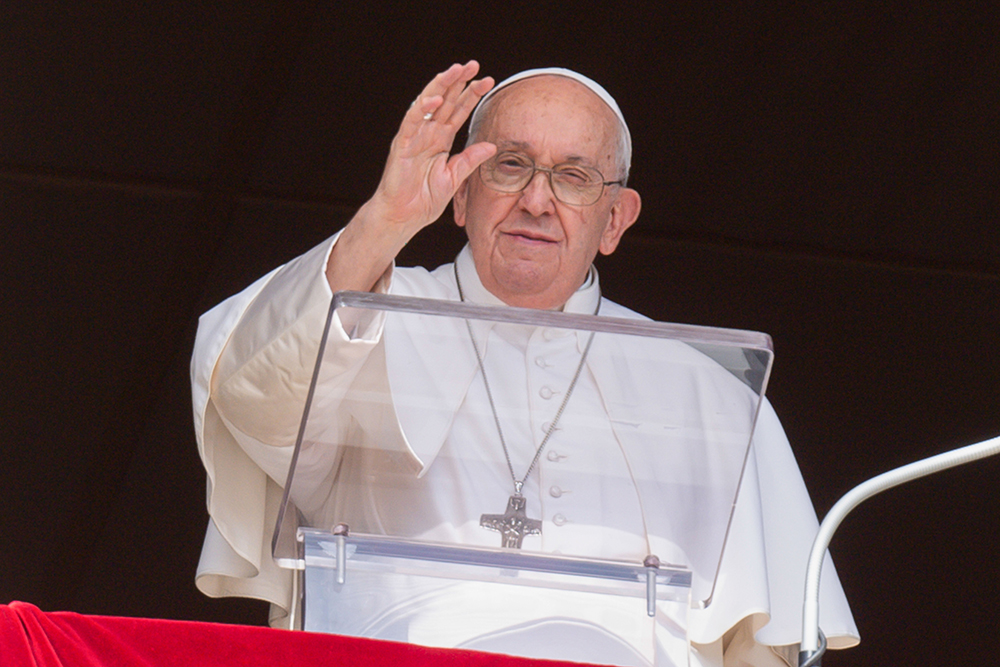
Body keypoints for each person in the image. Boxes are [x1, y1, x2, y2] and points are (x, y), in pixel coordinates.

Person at [191, 61, 859, 666]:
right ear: (460, 194)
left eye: (573, 176)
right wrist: (383, 222)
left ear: (616, 220)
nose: (537, 201)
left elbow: (766, 647)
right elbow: (250, 393)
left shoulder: (706, 390)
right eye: (510, 165)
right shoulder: (362, 314)